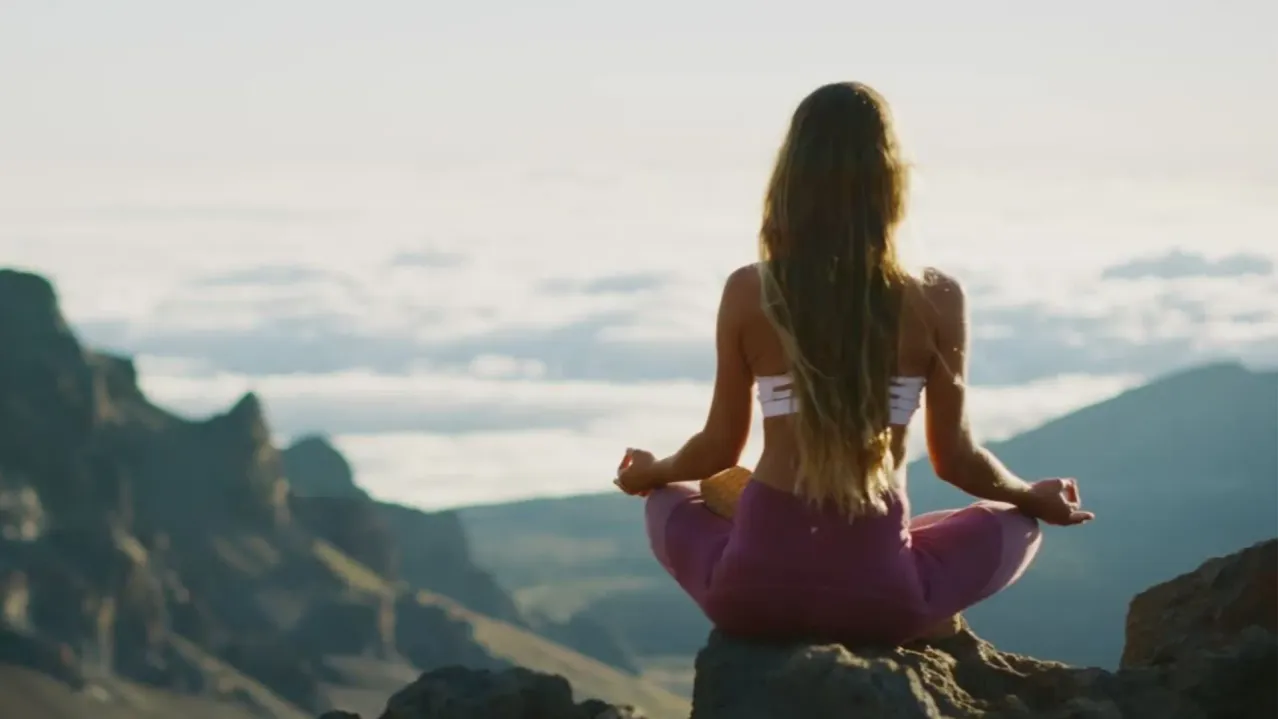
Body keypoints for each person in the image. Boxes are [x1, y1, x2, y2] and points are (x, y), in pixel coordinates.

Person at [612, 81, 1094, 645]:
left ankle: (758, 527)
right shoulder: (937, 297)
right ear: (890, 182)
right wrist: (1029, 496)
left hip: (748, 597)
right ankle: (902, 573)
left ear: (790, 179)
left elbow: (716, 450)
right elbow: (957, 462)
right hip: (882, 602)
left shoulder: (751, 290)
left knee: (669, 500)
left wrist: (649, 474)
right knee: (1015, 524)